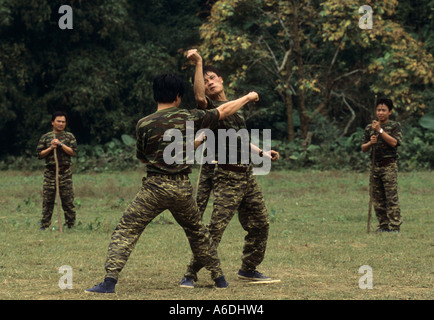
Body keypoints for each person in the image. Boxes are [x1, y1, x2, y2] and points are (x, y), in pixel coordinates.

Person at [85, 74, 260, 293]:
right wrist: (248, 97)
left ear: (155, 94)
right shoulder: (189, 116)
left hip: (154, 189)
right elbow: (223, 111)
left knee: (127, 230)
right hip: (181, 189)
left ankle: (109, 282)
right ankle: (220, 280)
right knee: (198, 233)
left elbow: (142, 158)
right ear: (178, 96)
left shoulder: (144, 124)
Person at [180, 49, 279, 288]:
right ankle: (190, 273)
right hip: (227, 176)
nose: (209, 82)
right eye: (205, 81)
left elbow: (241, 140)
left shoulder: (233, 108)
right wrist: (199, 64)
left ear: (221, 80)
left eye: (212, 78)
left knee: (261, 223)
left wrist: (262, 153)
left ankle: (248, 268)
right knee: (216, 229)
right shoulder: (211, 108)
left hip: (246, 174)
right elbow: (200, 99)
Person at [361, 98, 403, 232]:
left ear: (389, 112)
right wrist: (370, 143)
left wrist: (380, 131)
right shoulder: (369, 128)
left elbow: (394, 143)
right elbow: (363, 148)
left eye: (383, 110)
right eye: (378, 110)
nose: (380, 113)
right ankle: (383, 225)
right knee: (377, 198)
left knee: (391, 197)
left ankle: (395, 226)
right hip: (375, 166)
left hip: (389, 166)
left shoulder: (394, 126)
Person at [36, 111, 77, 230]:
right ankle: (44, 225)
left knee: (68, 200)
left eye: (63, 122)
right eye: (58, 121)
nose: (61, 124)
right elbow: (39, 154)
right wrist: (50, 148)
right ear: (52, 122)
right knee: (48, 200)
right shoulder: (46, 137)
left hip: (65, 172)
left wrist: (61, 145)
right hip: (50, 172)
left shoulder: (69, 137)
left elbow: (73, 152)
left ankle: (70, 224)